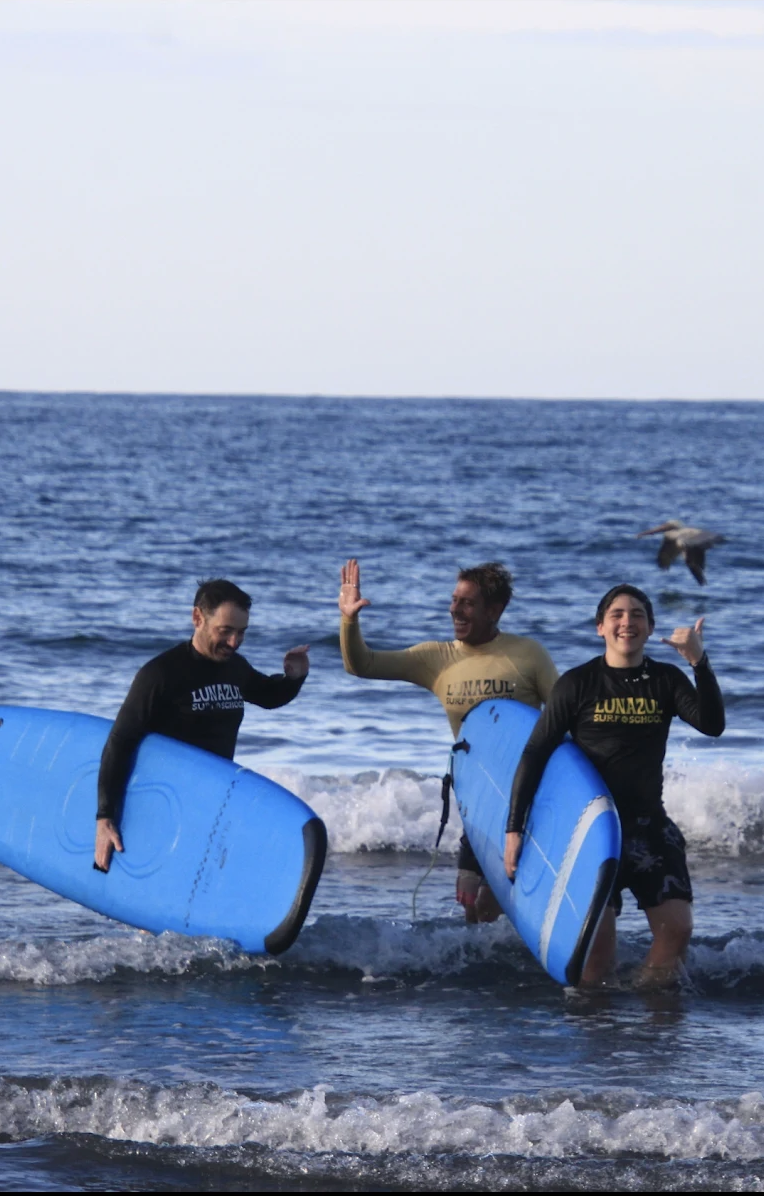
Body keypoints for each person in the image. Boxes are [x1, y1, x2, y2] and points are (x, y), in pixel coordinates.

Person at [504, 583, 725, 988]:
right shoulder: (578, 683)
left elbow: (712, 725)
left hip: (648, 824)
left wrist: (699, 662)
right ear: (600, 627)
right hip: (590, 829)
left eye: (638, 614)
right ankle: (597, 1019)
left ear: (650, 627)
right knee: (597, 953)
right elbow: (535, 752)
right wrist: (514, 829)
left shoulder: (666, 679)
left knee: (677, 929)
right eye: (617, 615)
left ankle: (648, 1002)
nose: (628, 622)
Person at [339, 557, 558, 922]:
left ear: (494, 610)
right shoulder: (436, 658)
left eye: (467, 603)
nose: (454, 609)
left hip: (528, 794)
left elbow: (563, 716)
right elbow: (362, 665)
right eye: (454, 600)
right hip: (478, 798)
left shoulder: (528, 654)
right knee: (472, 905)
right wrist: (349, 620)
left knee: (502, 895)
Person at [94, 578, 310, 872]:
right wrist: (105, 817)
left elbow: (269, 696)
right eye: (225, 631)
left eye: (241, 632)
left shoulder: (235, 667)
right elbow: (120, 742)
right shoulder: (160, 674)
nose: (234, 642)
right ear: (197, 618)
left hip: (212, 803)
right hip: (168, 804)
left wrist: (294, 678)